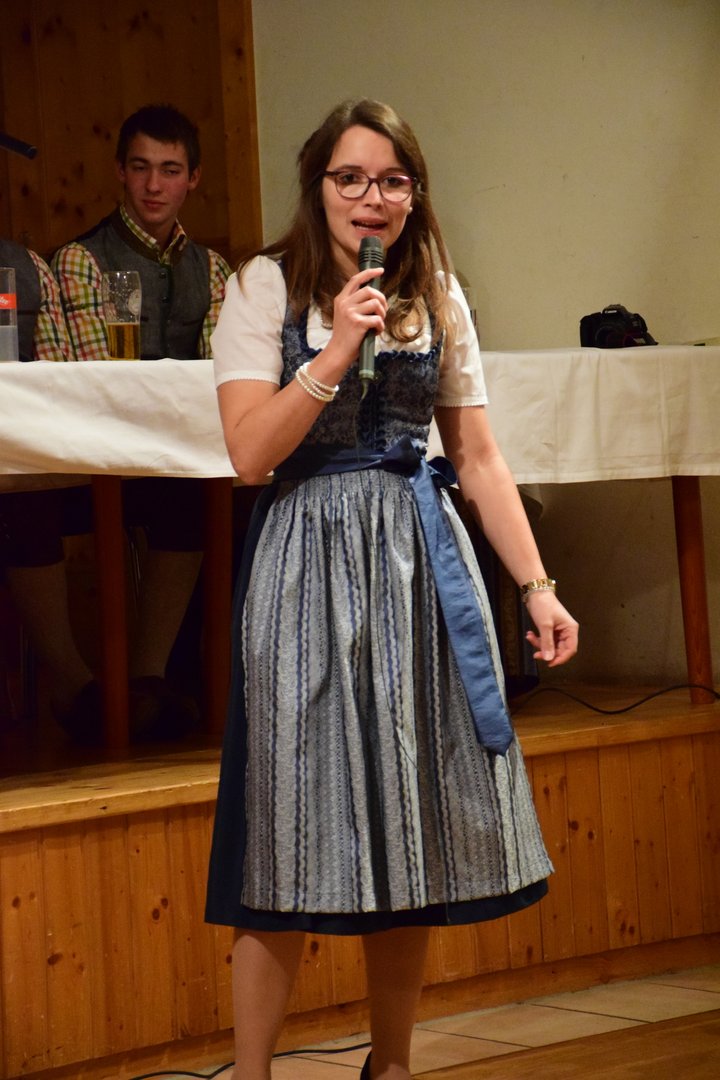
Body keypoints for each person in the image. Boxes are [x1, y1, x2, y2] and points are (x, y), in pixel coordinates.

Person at [205, 100, 578, 1080]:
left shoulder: (436, 293)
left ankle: (394, 1064)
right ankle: (253, 1074)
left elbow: (479, 458)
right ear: (317, 186)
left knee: (412, 825)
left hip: (418, 562)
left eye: (392, 181)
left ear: (414, 194)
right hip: (305, 563)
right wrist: (333, 352)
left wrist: (537, 587)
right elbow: (248, 455)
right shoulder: (264, 285)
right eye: (351, 179)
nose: (371, 199)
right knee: (285, 824)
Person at [48, 104, 231, 739]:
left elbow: (220, 373)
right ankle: (78, 689)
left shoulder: (211, 269)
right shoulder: (81, 259)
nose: (154, 185)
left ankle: (149, 679)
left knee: (198, 495)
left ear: (193, 179)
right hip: (92, 453)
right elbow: (93, 382)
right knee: (29, 507)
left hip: (173, 454)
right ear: (120, 173)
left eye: (170, 170)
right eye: (141, 168)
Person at [0, 238, 91, 723]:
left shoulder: (27, 265)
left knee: (29, 496)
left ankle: (77, 685)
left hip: (18, 442)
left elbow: (57, 374)